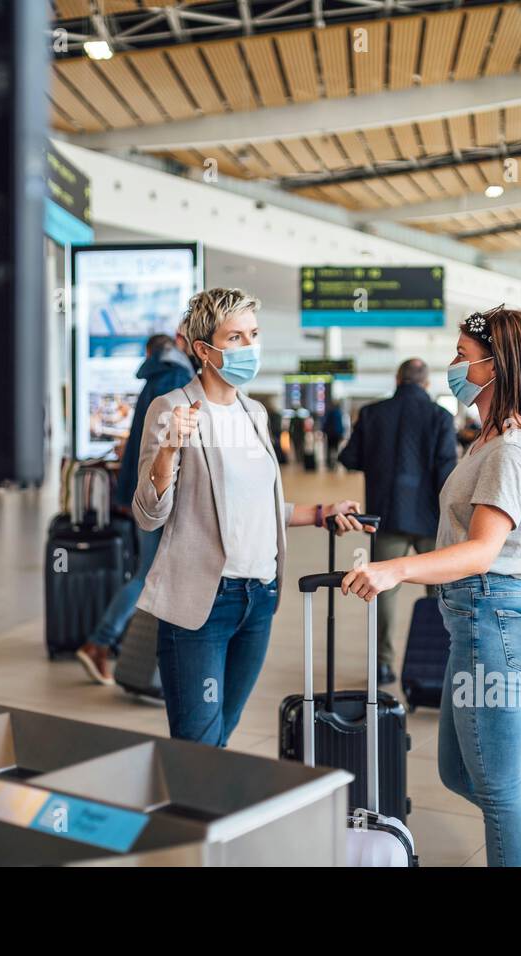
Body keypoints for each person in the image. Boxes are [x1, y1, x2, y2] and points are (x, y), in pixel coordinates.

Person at [340, 306, 521, 868]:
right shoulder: (488, 439)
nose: (453, 366)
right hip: (474, 624)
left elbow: (484, 550)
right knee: (460, 771)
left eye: (463, 357)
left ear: (496, 365)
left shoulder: (511, 449)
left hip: (496, 624)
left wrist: (396, 570)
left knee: (497, 787)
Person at [131, 288, 370, 747]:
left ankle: (205, 813)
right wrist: (168, 450)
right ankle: (189, 814)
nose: (250, 347)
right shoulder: (173, 408)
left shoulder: (255, 412)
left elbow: (254, 505)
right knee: (199, 744)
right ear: (204, 350)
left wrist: (322, 512)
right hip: (203, 603)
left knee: (223, 736)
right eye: (235, 337)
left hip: (258, 598)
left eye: (254, 335)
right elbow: (149, 513)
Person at [76, 333, 193, 685]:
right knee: (148, 575)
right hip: (159, 492)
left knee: (149, 573)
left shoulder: (158, 376)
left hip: (143, 489)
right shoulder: (175, 377)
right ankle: (100, 643)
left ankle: (127, 654)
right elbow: (165, 445)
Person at [338, 358, 458, 685]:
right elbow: (446, 473)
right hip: (432, 520)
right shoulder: (440, 417)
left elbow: (348, 458)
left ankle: (383, 665)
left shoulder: (373, 414)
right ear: (426, 383)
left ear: (397, 378)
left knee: (382, 590)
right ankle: (436, 667)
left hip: (388, 516)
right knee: (440, 594)